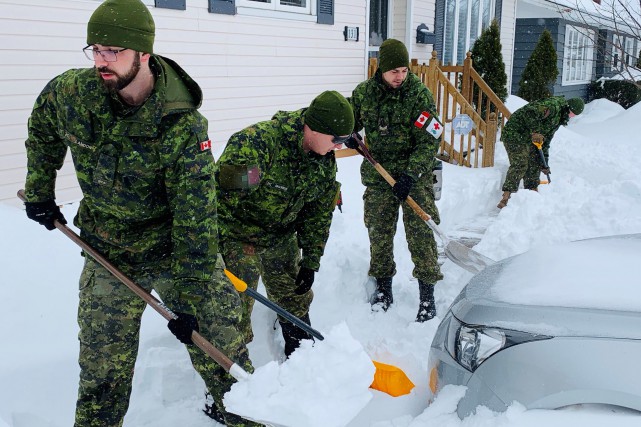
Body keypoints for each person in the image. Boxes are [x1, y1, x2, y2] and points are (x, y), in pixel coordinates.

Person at [22, 1, 258, 426]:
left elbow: (196, 215)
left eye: (112, 51)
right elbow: (42, 128)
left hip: (174, 250)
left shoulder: (181, 124)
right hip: (107, 251)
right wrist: (40, 190)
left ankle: (250, 417)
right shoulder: (73, 93)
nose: (100, 61)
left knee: (225, 354)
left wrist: (190, 293)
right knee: (101, 376)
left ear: (143, 54)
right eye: (94, 49)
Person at [216, 91, 353, 357]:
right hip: (238, 237)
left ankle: (300, 353)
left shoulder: (322, 161)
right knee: (232, 311)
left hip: (280, 237)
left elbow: (318, 213)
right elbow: (217, 200)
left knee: (295, 297)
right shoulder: (258, 146)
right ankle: (226, 385)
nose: (339, 146)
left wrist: (311, 260)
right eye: (337, 140)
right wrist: (216, 251)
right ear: (313, 129)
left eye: (344, 141)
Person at [349, 39, 443, 322]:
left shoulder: (419, 95)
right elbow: (350, 123)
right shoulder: (364, 93)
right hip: (380, 178)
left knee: (421, 235)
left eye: (403, 70)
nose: (399, 76)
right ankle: (383, 288)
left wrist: (411, 174)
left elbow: (430, 141)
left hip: (414, 177)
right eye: (394, 71)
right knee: (379, 233)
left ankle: (427, 296)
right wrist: (349, 136)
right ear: (381, 69)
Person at [497, 96, 584, 208]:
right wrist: (536, 132)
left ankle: (532, 193)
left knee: (535, 162)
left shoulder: (559, 119)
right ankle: (507, 196)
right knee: (520, 163)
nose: (571, 116)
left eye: (574, 116)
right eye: (571, 113)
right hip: (515, 133)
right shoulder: (553, 106)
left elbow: (545, 143)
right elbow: (530, 111)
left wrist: (544, 164)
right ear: (567, 107)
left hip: (530, 138)